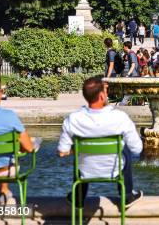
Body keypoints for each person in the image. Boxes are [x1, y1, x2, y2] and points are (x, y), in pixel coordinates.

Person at [58, 77, 143, 208]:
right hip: (115, 171)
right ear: (102, 96)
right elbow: (137, 148)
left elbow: (62, 151)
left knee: (79, 152)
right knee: (124, 146)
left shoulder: (74, 119)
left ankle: (78, 197)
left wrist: (75, 149)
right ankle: (127, 195)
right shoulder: (120, 117)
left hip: (85, 172)